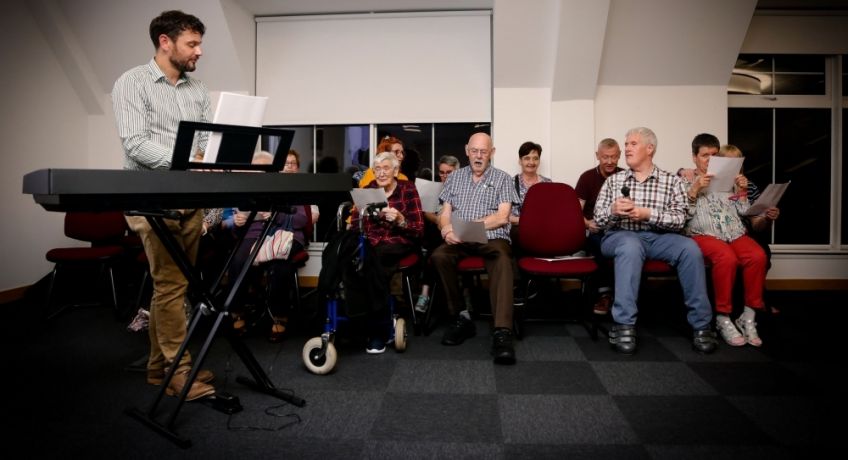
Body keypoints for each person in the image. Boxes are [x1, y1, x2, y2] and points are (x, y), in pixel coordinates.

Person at [112, 10, 214, 400]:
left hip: (191, 200)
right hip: (149, 200)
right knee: (171, 284)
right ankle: (178, 370)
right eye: (192, 43)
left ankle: (158, 369)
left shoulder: (198, 90)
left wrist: (204, 162)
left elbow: (204, 144)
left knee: (173, 285)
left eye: (199, 43)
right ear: (165, 42)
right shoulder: (132, 83)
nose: (199, 51)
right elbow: (135, 143)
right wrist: (186, 162)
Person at [594, 127, 717, 355]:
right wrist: (613, 209)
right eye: (627, 144)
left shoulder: (672, 182)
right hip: (620, 235)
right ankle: (624, 324)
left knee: (690, 248)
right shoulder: (614, 181)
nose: (627, 148)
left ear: (649, 149)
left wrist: (647, 214)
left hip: (660, 237)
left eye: (632, 144)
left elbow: (680, 219)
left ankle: (701, 326)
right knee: (630, 246)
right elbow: (599, 221)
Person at [431, 132, 520, 365]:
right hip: (459, 239)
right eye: (474, 151)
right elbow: (445, 212)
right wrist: (446, 230)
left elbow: (502, 217)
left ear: (492, 152)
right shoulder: (454, 178)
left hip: (491, 237)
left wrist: (469, 227)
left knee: (502, 258)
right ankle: (461, 317)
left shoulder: (503, 178)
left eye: (484, 151)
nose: (478, 156)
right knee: (439, 256)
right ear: (467, 151)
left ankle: (502, 331)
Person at [681, 135, 767, 347]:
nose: (709, 160)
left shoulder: (729, 180)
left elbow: (743, 211)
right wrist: (694, 190)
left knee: (758, 256)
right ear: (694, 158)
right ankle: (723, 317)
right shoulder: (682, 180)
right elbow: (682, 216)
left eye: (714, 155)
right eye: (704, 156)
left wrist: (742, 191)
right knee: (726, 258)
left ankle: (748, 316)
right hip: (703, 233)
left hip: (734, 231)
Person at [228, 150, 313, 342]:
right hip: (254, 235)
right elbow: (236, 231)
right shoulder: (246, 192)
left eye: (264, 171)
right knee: (238, 261)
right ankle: (238, 312)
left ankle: (280, 316)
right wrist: (239, 223)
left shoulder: (293, 188)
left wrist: (277, 215)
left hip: (286, 237)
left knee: (280, 267)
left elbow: (302, 220)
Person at [350, 151, 424, 353]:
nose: (381, 173)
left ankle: (377, 330)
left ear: (396, 170)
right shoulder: (367, 189)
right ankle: (357, 320)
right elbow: (355, 224)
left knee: (375, 262)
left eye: (386, 168)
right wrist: (369, 219)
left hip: (399, 240)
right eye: (377, 169)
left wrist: (400, 220)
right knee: (347, 256)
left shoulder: (408, 189)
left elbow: (418, 229)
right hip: (372, 242)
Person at [575, 138, 623, 315]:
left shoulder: (626, 176)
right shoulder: (587, 177)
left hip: (620, 230)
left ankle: (624, 298)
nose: (609, 161)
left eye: (613, 157)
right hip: (594, 231)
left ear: (619, 156)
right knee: (601, 247)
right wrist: (588, 223)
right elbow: (575, 212)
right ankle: (605, 295)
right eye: (605, 157)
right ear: (598, 156)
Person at [415, 155, 461, 313]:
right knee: (433, 248)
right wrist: (440, 220)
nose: (445, 176)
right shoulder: (434, 188)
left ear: (457, 171)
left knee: (433, 251)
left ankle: (425, 293)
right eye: (442, 172)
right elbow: (426, 212)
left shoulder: (465, 188)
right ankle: (426, 293)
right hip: (438, 230)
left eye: (449, 172)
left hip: (458, 232)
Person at [508, 141, 551, 305]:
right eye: (527, 158)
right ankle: (523, 282)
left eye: (535, 158)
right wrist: (525, 221)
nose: (531, 162)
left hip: (542, 230)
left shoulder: (548, 183)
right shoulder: (510, 183)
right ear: (520, 161)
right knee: (515, 234)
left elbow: (551, 213)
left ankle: (537, 284)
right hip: (518, 229)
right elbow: (505, 215)